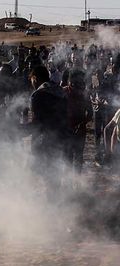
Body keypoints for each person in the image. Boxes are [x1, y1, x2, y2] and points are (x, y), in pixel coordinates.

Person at [22, 65, 69, 197]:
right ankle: (56, 204)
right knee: (54, 177)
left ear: (35, 78)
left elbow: (37, 124)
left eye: (31, 80)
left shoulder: (37, 95)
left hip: (44, 142)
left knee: (41, 177)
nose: (32, 83)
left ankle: (47, 208)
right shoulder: (60, 91)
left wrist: (18, 130)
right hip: (61, 139)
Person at [65, 70, 92, 175]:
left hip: (80, 130)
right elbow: (57, 110)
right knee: (67, 155)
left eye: (82, 81)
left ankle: (77, 179)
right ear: (71, 82)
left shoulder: (85, 95)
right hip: (66, 129)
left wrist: (82, 123)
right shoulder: (64, 92)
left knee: (79, 155)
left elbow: (89, 113)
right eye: (78, 82)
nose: (82, 84)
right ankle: (67, 179)